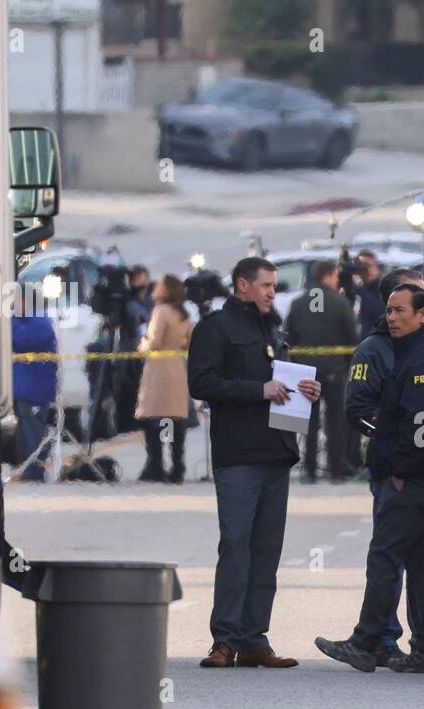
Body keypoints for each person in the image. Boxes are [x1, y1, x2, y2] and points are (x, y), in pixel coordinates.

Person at [316, 284, 424, 674]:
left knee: (385, 556)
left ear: (423, 316)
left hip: (417, 479)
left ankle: (365, 642)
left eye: (401, 311)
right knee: (421, 563)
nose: (392, 317)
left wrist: (400, 470)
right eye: (389, 310)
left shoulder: (423, 359)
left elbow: (423, 425)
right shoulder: (412, 352)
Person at [187, 256, 322, 669]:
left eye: (273, 286)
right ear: (242, 285)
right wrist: (258, 390)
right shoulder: (215, 327)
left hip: (275, 452)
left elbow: (280, 380)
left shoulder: (272, 328)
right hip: (238, 454)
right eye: (265, 285)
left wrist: (306, 390)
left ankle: (253, 638)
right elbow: (202, 382)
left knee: (266, 550)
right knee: (236, 544)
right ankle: (224, 640)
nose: (271, 293)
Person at [344, 267, 424, 667]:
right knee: (389, 557)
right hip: (393, 472)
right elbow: (357, 409)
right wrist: (395, 445)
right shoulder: (374, 349)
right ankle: (381, 638)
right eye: (415, 296)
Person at [287, 260, 359, 483]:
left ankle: (309, 470)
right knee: (335, 421)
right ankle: (336, 469)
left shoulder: (298, 303)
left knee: (308, 421)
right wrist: (349, 364)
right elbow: (351, 336)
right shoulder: (339, 302)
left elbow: (289, 334)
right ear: (328, 276)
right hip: (334, 370)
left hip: (305, 371)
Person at [135, 274, 194, 483]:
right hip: (176, 368)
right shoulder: (184, 315)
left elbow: (155, 341)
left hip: (159, 370)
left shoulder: (160, 311)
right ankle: (177, 465)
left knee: (155, 418)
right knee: (172, 418)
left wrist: (143, 343)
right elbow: (189, 342)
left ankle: (156, 464)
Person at [11, 284, 58, 483]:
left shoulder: (39, 321)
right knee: (26, 427)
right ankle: (30, 466)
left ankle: (35, 469)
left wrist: (7, 326)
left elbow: (23, 340)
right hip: (25, 385)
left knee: (34, 429)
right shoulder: (24, 319)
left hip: (35, 387)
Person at [354, 249, 384, 332]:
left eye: (369, 266)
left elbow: (379, 313)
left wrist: (360, 287)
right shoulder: (352, 288)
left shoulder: (384, 287)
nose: (367, 271)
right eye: (362, 267)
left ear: (376, 267)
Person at [128, 265, 153, 334]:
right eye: (133, 277)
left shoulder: (157, 296)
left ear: (148, 278)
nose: (136, 279)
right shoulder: (129, 301)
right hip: (134, 341)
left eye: (139, 276)